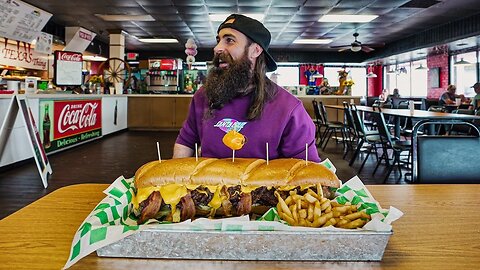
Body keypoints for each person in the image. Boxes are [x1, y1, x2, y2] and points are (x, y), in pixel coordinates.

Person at [173, 14, 320, 162]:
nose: (217, 48)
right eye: (218, 40)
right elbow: (186, 141)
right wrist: (173, 179)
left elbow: (307, 168)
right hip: (209, 184)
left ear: (255, 50)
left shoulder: (289, 109)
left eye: (229, 40)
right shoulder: (202, 97)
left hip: (265, 184)